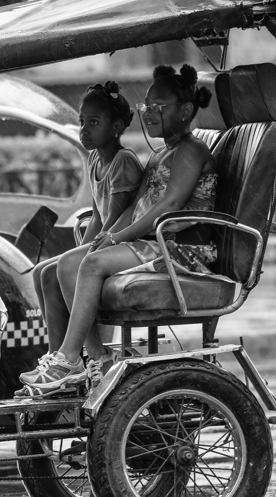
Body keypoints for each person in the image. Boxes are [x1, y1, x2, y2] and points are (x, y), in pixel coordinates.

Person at [21, 64, 216, 392]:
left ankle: (74, 359)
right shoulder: (160, 154)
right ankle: (73, 362)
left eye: (159, 107)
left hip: (181, 247)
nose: (150, 113)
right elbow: (133, 209)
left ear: (185, 111)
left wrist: (118, 237)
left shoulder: (190, 150)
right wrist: (108, 237)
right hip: (158, 241)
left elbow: (168, 206)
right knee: (73, 262)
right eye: (147, 107)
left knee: (89, 263)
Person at [26, 81, 142, 391]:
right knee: (43, 272)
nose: (84, 129)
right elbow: (97, 215)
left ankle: (92, 356)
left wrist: (84, 257)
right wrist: (83, 248)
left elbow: (116, 221)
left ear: (116, 127)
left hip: (124, 242)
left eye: (94, 122)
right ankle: (57, 357)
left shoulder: (123, 162)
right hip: (106, 237)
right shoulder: (94, 160)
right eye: (82, 121)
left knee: (67, 265)